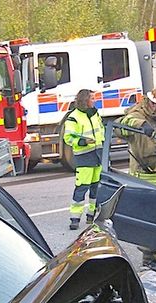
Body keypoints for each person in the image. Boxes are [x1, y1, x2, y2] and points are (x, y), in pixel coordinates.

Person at [62, 89, 105, 229]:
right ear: (85, 100)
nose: (94, 101)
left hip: (97, 155)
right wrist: (83, 141)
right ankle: (75, 218)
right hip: (84, 157)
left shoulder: (95, 113)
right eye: (92, 98)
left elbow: (101, 130)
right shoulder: (73, 117)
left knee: (96, 188)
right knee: (82, 188)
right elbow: (68, 138)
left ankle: (91, 215)